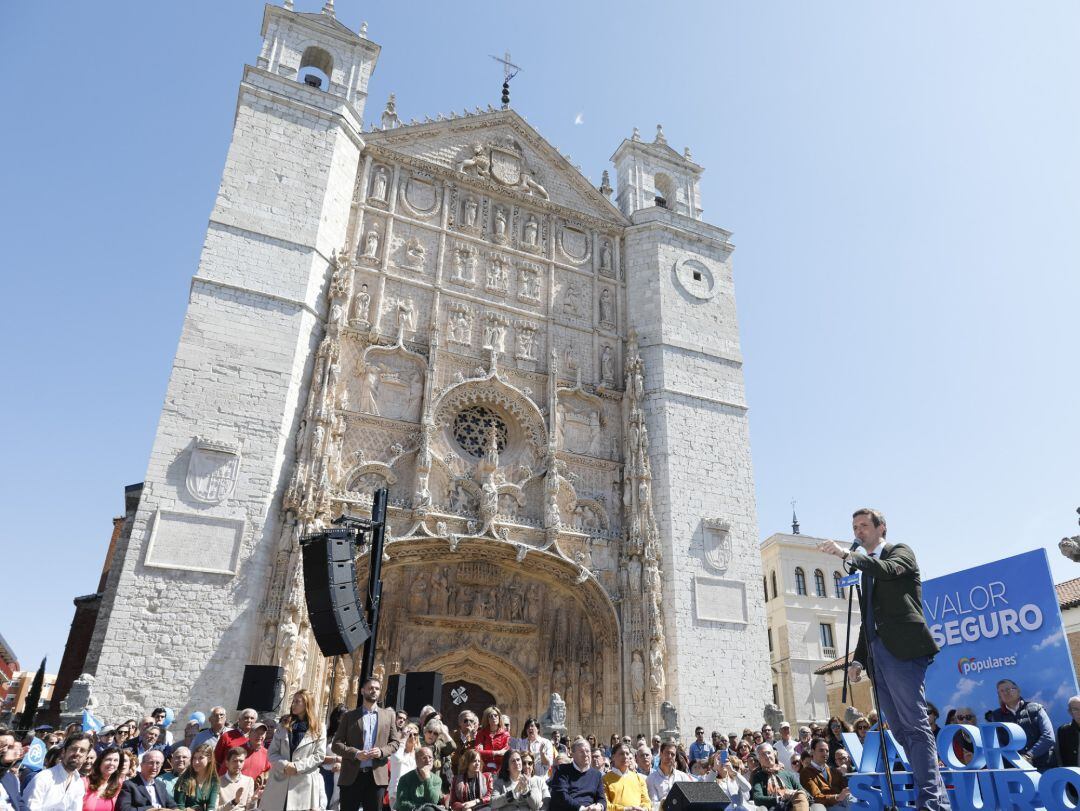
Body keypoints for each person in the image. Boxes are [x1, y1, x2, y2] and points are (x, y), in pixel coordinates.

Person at [819, 507, 948, 811]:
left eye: (864, 525)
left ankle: (932, 803)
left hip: (903, 651)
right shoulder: (865, 573)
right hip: (878, 657)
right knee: (901, 731)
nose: (858, 531)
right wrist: (859, 661)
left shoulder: (899, 552)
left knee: (915, 725)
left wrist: (848, 556)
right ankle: (936, 796)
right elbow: (868, 622)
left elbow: (888, 570)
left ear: (881, 528)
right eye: (854, 527)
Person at [332, 677, 400, 811]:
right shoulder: (349, 716)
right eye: (370, 688)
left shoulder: (388, 716)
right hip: (352, 776)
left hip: (376, 778)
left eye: (377, 688)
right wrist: (356, 753)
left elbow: (395, 742)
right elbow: (336, 744)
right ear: (362, 691)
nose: (374, 691)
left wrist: (381, 752)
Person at [262, 690, 327, 811]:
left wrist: (297, 766)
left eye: (297, 701)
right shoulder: (284, 725)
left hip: (303, 783)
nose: (293, 704)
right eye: (293, 701)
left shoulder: (319, 727)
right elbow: (272, 753)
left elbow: (319, 755)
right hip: (280, 779)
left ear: (307, 704)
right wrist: (285, 765)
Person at [989, 678, 1055, 771]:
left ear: (1018, 691)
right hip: (1015, 769)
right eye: (1001, 691)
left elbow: (1048, 737)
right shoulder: (996, 717)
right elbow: (998, 743)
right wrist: (1018, 761)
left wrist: (1029, 755)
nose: (1005, 693)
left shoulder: (1036, 708)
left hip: (1043, 766)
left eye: (1008, 689)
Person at [24, 733, 92, 811]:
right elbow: (29, 808)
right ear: (63, 752)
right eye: (74, 749)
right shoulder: (43, 778)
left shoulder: (79, 783)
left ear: (86, 756)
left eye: (82, 750)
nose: (77, 753)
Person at [548, 739, 603, 811]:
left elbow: (602, 799)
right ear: (572, 754)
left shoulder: (596, 775)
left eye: (587, 751)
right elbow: (561, 795)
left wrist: (599, 806)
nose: (585, 754)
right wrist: (581, 809)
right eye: (581, 751)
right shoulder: (562, 770)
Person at [748, 745, 807, 811]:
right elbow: (757, 799)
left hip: (794, 803)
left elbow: (804, 792)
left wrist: (793, 793)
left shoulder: (787, 774)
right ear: (759, 759)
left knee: (800, 795)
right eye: (763, 754)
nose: (767, 756)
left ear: (774, 754)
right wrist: (780, 798)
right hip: (775, 807)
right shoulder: (757, 776)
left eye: (769, 753)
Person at [798, 738, 849, 809]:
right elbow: (816, 797)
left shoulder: (833, 770)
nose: (825, 753)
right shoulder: (806, 773)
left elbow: (845, 789)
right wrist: (837, 797)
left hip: (842, 803)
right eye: (821, 750)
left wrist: (844, 775)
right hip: (823, 806)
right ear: (812, 751)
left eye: (827, 751)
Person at [600, 744, 647, 811]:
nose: (625, 757)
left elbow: (646, 801)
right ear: (613, 757)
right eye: (621, 754)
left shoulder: (638, 778)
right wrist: (625, 809)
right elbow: (605, 805)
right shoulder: (604, 779)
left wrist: (644, 809)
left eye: (627, 754)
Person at [393, 747, 441, 811]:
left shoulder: (437, 780)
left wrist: (427, 779)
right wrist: (420, 808)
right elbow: (402, 803)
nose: (428, 760)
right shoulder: (405, 778)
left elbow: (433, 801)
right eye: (424, 757)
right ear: (417, 760)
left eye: (430, 757)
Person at [172, 744, 218, 811]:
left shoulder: (213, 780)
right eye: (194, 758)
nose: (196, 762)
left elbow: (211, 806)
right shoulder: (184, 780)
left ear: (209, 759)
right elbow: (179, 806)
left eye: (201, 758)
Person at [645, 740, 689, 805]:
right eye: (667, 753)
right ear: (660, 754)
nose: (669, 756)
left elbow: (689, 798)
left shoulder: (683, 777)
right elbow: (654, 804)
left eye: (673, 754)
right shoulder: (651, 779)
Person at [388, 724, 418, 808]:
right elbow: (397, 758)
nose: (412, 736)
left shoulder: (418, 754)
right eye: (410, 734)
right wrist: (404, 738)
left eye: (415, 734)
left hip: (413, 793)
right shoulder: (398, 751)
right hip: (397, 792)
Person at [474, 710, 508, 777]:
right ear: (487, 719)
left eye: (495, 715)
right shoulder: (481, 733)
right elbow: (477, 752)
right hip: (483, 769)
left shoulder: (505, 734)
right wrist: (496, 753)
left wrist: (485, 752)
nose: (493, 718)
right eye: (490, 716)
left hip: (500, 770)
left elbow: (505, 753)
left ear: (499, 718)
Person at [451, 713, 479, 778]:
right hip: (454, 772)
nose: (468, 723)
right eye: (466, 720)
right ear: (460, 723)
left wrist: (472, 738)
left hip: (470, 772)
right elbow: (451, 756)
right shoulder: (453, 735)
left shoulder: (476, 737)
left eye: (471, 721)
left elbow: (475, 754)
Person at [1056, 696, 1080, 767]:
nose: (1079, 712)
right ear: (1070, 712)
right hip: (1071, 775)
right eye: (1076, 709)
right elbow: (1059, 757)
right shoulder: (1063, 731)